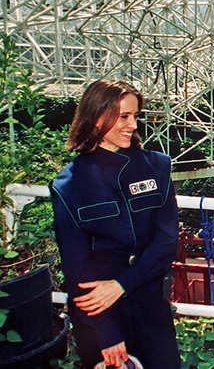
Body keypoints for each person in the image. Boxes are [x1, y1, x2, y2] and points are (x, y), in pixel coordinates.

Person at [50, 79, 180, 368]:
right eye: (123, 116)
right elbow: (77, 269)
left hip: (150, 308)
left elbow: (167, 243)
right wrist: (107, 334)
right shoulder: (69, 185)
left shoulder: (156, 166)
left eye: (135, 116)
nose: (132, 124)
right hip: (101, 320)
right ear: (96, 117)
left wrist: (122, 284)